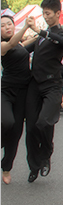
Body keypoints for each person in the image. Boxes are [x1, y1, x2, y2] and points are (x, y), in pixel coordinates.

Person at [25, 0, 63, 183]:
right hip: (34, 84)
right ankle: (34, 166)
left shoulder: (60, 34)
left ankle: (46, 153)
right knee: (31, 128)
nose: (45, 16)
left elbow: (61, 41)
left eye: (48, 13)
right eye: (43, 13)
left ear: (58, 13)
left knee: (44, 122)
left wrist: (39, 31)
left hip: (52, 85)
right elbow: (21, 50)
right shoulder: (40, 38)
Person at [1, 15, 34, 184]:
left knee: (16, 132)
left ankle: (6, 168)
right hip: (6, 91)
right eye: (3, 25)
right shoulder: (3, 45)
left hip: (23, 92)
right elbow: (12, 44)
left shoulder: (21, 44)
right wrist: (25, 27)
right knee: (6, 122)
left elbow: (24, 45)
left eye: (9, 24)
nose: (7, 27)